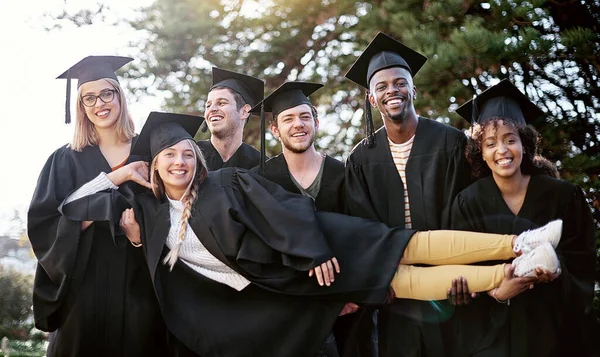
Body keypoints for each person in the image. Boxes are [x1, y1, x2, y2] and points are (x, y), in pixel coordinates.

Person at [61, 113, 563, 357]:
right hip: (291, 283)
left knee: (404, 245)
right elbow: (72, 207)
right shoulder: (146, 212)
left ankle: (521, 242)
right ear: (155, 163)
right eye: (170, 154)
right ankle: (511, 270)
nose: (181, 160)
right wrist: (122, 175)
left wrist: (314, 250)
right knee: (396, 285)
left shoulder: (225, 183)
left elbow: (286, 207)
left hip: (316, 246)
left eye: (187, 153)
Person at [27, 56, 167, 356]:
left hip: (138, 285)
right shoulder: (64, 159)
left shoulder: (152, 152)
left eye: (107, 93)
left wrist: (141, 236)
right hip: (82, 288)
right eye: (88, 98)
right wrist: (116, 180)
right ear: (81, 107)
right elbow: (46, 224)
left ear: (120, 96)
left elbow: (172, 211)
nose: (99, 103)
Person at [344, 32, 472, 356]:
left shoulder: (450, 142)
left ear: (413, 89)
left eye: (400, 83)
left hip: (447, 279)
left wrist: (463, 270)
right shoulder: (361, 159)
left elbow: (465, 211)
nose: (392, 91)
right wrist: (381, 277)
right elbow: (363, 225)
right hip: (396, 287)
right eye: (382, 87)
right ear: (372, 99)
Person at [450, 79, 597, 357]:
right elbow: (462, 265)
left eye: (510, 140)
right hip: (496, 335)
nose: (502, 151)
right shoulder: (469, 202)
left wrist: (556, 271)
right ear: (480, 151)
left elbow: (583, 259)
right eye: (490, 143)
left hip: (558, 329)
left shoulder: (563, 196)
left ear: (524, 144)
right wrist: (497, 292)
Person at [251, 81, 347, 356]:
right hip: (286, 307)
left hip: (341, 303)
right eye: (288, 119)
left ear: (316, 121)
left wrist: (352, 294)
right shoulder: (262, 180)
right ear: (274, 129)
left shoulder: (343, 174)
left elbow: (360, 235)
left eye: (305, 116)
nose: (298, 124)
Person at [197, 67, 264, 170]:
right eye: (208, 105)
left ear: (244, 111)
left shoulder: (260, 165)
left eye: (222, 103)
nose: (212, 109)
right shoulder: (193, 157)